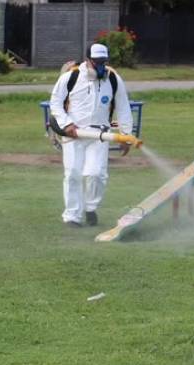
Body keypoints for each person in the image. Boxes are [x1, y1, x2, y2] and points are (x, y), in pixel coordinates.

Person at [48, 43, 133, 228]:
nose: (101, 66)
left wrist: (126, 135)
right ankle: (72, 216)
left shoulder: (113, 79)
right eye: (97, 62)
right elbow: (55, 102)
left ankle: (90, 207)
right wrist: (66, 123)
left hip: (100, 133)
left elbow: (123, 107)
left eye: (104, 62)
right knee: (73, 174)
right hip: (74, 133)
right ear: (88, 60)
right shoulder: (71, 76)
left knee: (96, 173)